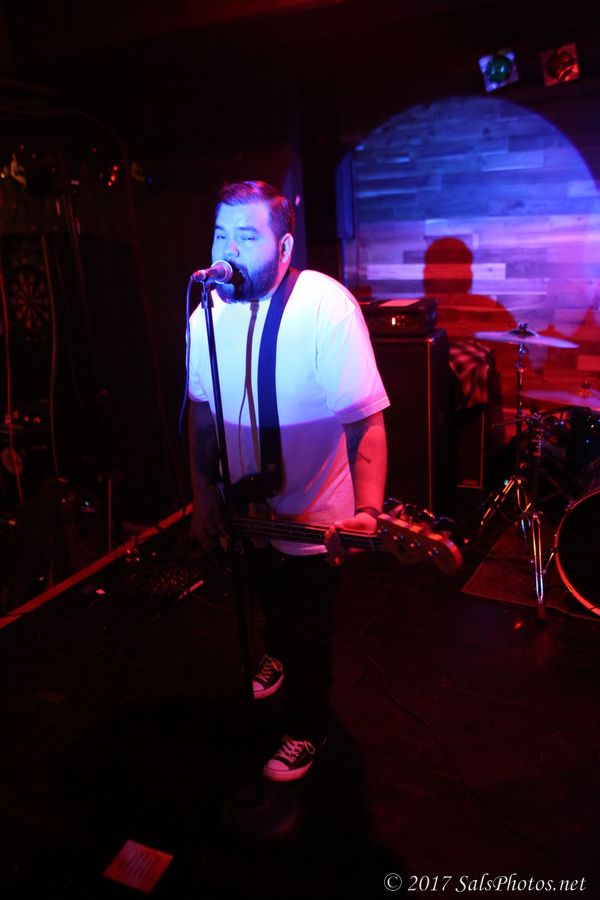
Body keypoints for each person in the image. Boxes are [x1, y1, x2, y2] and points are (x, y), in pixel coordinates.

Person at [187, 180, 389, 781]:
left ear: (283, 247)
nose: (228, 250)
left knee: (308, 626)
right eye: (221, 235)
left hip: (312, 514)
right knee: (264, 596)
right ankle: (274, 656)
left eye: (246, 237)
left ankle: (308, 726)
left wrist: (369, 510)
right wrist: (202, 495)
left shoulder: (326, 306)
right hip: (244, 511)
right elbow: (200, 414)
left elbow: (365, 423)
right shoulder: (205, 313)